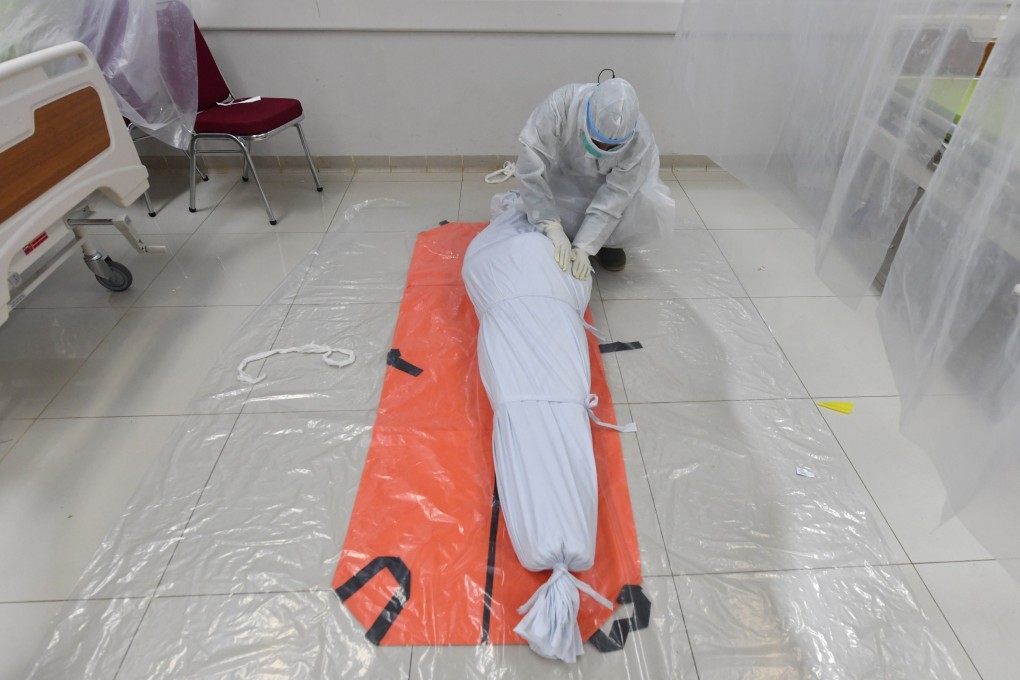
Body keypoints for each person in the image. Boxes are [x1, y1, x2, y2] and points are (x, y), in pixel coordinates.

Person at [516, 74, 674, 280]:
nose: (603, 149)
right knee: (557, 207)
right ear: (586, 118)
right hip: (566, 171)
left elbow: (618, 194)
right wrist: (550, 224)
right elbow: (531, 163)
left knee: (635, 201)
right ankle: (558, 229)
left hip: (610, 183)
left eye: (612, 147)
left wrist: (584, 247)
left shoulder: (640, 140)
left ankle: (607, 243)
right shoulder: (561, 106)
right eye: (599, 142)